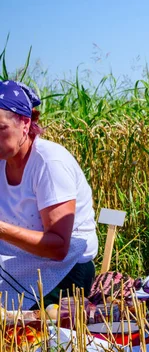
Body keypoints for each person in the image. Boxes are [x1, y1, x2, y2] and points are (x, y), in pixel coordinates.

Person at [0, 80, 98, 310]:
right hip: (17, 259)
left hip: (65, 269)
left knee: (16, 327)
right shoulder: (3, 158)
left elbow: (59, 248)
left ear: (25, 123)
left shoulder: (49, 163)